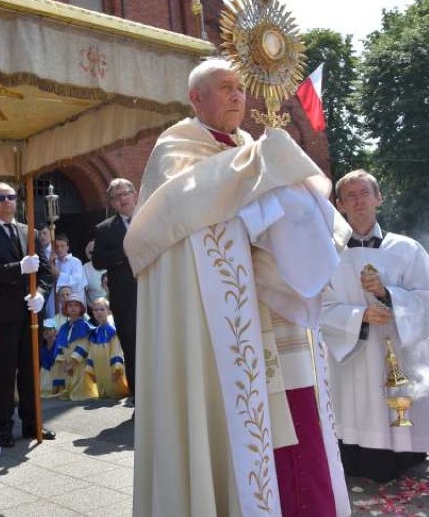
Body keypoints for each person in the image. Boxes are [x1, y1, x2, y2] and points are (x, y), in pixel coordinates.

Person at [125, 58, 352, 516]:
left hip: (277, 311)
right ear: (196, 98)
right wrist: (259, 173)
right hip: (215, 331)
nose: (236, 96)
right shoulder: (177, 149)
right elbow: (177, 215)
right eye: (225, 88)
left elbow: (307, 200)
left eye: (240, 89)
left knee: (295, 425)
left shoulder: (255, 147)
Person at [320, 169, 429, 483]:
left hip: (395, 352)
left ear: (379, 198)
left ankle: (404, 455)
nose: (359, 200)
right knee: (355, 411)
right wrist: (358, 317)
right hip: (352, 354)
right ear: (339, 204)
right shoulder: (327, 254)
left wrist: (389, 296)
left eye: (365, 193)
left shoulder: (406, 249)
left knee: (395, 411)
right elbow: (316, 307)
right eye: (351, 195)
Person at [0, 182, 55, 447]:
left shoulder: (27, 231)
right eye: (1, 198)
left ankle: (32, 422)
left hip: (30, 312)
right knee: (6, 372)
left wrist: (41, 293)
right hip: (4, 313)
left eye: (11, 197)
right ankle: (5, 426)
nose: (8, 202)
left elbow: (46, 272)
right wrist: (18, 267)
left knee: (31, 370)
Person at [93, 178, 138, 398]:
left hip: (155, 293)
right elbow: (98, 261)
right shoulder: (105, 229)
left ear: (135, 194)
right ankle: (139, 398)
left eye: (125, 193)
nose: (122, 199)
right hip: (125, 297)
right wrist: (124, 251)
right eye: (116, 196)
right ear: (111, 202)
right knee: (132, 348)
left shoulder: (149, 219)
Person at [85, 297, 128, 399]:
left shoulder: (112, 331)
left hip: (111, 370)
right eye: (95, 310)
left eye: (102, 309)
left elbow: (116, 351)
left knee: (114, 394)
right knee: (103, 395)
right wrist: (92, 371)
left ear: (108, 312)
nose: (98, 312)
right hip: (99, 369)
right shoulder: (94, 333)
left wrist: (116, 370)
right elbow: (91, 353)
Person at [53, 292, 93, 401]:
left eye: (76, 305)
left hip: (80, 363)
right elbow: (60, 346)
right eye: (70, 305)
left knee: (80, 388)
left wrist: (73, 363)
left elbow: (84, 345)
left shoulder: (85, 326)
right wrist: (65, 364)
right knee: (69, 382)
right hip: (67, 363)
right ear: (65, 309)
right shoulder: (63, 327)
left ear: (81, 308)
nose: (73, 308)